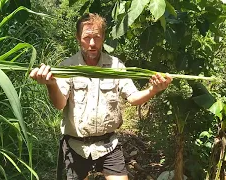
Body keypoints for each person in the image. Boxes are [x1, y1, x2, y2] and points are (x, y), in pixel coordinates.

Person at [30, 13, 172, 180]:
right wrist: (51, 84)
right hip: (76, 145)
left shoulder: (115, 66)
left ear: (103, 37)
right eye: (87, 37)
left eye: (96, 37)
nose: (92, 43)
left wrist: (153, 90)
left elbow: (133, 98)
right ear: (78, 37)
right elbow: (59, 104)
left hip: (108, 145)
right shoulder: (67, 67)